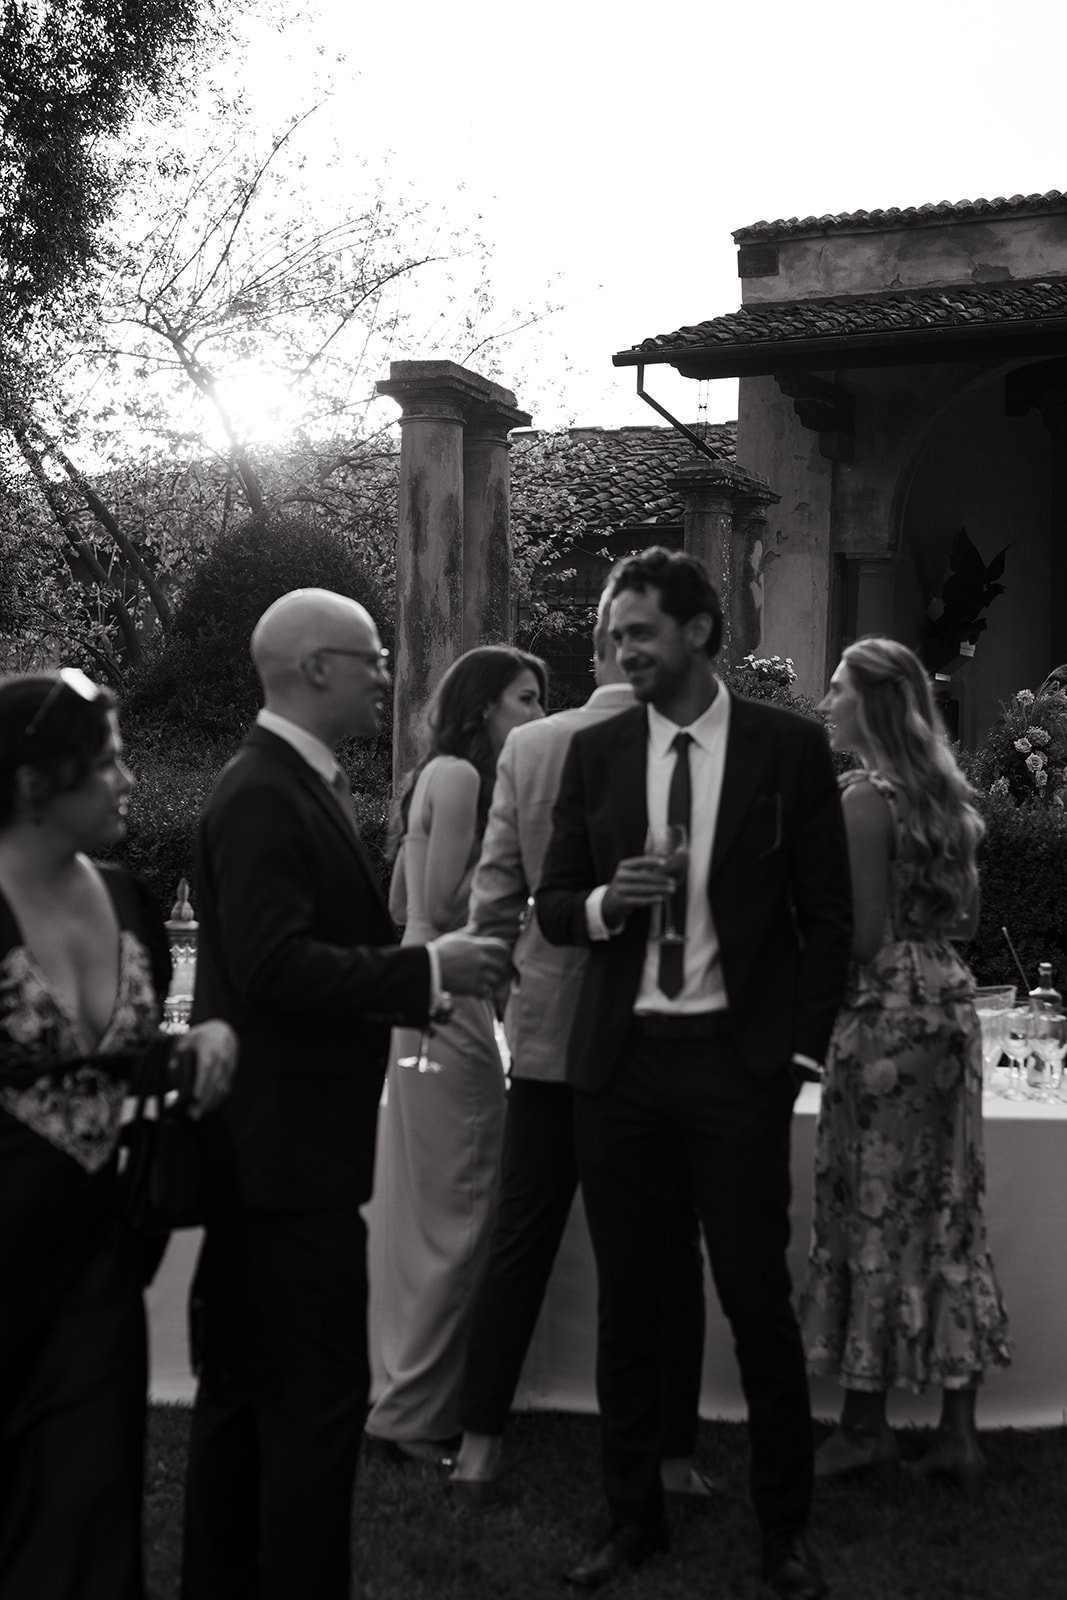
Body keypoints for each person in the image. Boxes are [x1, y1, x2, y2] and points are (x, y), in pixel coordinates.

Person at [180, 591, 510, 1600]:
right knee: (313, 1405)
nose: (384, 672)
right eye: (369, 657)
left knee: (242, 1395)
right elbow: (274, 966)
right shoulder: (262, 794)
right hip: (285, 1160)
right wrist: (426, 971)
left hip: (275, 1153)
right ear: (315, 668)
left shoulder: (290, 781)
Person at [536, 548, 852, 1600]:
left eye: (639, 632)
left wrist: (794, 1057)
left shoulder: (787, 751)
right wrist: (602, 905)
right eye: (614, 634)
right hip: (619, 1065)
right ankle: (630, 1521)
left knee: (755, 1299)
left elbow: (828, 918)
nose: (621, 650)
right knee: (633, 1301)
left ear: (701, 631)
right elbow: (551, 902)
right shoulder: (595, 752)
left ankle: (783, 1532)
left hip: (735, 1065)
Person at [450, 585, 712, 1508]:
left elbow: (493, 895)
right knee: (664, 1252)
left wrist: (503, 986)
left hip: (551, 1028)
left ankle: (479, 1441)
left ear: (590, 652)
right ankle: (671, 1456)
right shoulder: (691, 746)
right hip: (662, 1034)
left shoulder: (528, 744)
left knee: (521, 1235)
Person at [0, 669, 236, 1600]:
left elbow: (125, 1057)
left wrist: (197, 1040)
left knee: (91, 1502)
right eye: (106, 764)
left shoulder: (133, 898)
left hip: (100, 1258)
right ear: (31, 785)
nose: (129, 779)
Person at [800, 637, 1012, 1484]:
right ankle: (958, 1433)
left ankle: (863, 1424)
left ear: (874, 703)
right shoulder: (949, 799)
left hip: (883, 1013)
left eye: (837, 687)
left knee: (871, 1207)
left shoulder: (862, 800)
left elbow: (854, 935)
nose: (824, 701)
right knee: (946, 1207)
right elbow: (958, 924)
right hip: (948, 1002)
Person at [365, 644, 547, 1461]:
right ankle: (417, 1415)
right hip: (450, 996)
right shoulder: (470, 779)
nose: (538, 716)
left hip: (417, 993)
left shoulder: (429, 775)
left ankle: (403, 1393)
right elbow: (442, 903)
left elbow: (404, 902)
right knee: (465, 1209)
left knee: (423, 1209)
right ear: (483, 709)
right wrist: (526, 884)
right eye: (526, 699)